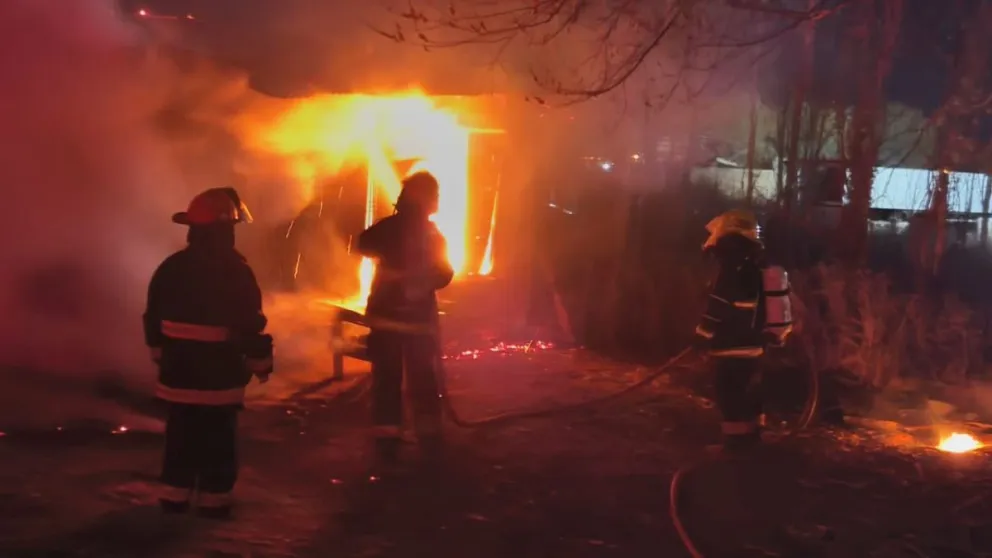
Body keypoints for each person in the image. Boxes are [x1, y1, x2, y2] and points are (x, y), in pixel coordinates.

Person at [143, 187, 274, 518]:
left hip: (178, 373)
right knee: (218, 439)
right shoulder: (237, 271)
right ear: (226, 229)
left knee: (180, 434)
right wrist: (260, 361)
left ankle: (174, 495)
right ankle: (213, 500)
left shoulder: (171, 267)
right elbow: (250, 322)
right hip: (220, 376)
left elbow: (153, 315)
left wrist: (159, 350)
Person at [357, 171, 454, 467]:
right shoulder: (432, 235)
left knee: (387, 380)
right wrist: (422, 279)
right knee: (423, 381)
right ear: (427, 200)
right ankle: (430, 441)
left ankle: (387, 443)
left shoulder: (387, 229)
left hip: (386, 321)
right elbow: (445, 273)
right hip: (416, 324)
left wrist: (394, 266)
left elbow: (363, 243)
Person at [694, 209, 770, 453]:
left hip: (730, 348)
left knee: (729, 396)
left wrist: (700, 336)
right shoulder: (755, 269)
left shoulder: (729, 270)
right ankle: (754, 439)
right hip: (754, 347)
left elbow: (718, 306)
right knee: (748, 393)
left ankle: (734, 445)